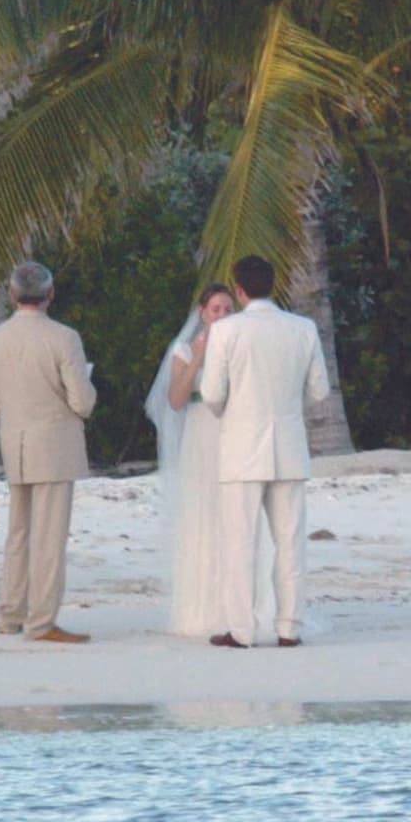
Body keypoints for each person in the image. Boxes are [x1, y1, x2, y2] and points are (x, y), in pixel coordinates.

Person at [198, 255, 330, 648]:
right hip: (289, 446)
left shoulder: (228, 331)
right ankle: (289, 628)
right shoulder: (302, 328)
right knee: (290, 543)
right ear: (274, 285)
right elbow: (320, 391)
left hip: (241, 449)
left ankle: (242, 629)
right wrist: (288, 409)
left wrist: (232, 416)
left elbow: (212, 394)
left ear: (239, 291)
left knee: (240, 544)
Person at [0, 262, 96, 643]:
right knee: (49, 537)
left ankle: (10, 613)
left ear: (12, 295)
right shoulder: (64, 337)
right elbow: (83, 401)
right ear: (50, 294)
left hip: (14, 440)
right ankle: (41, 621)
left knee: (19, 533)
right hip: (55, 442)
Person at [145, 282, 258, 636]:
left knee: (236, 515)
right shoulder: (183, 348)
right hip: (200, 434)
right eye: (215, 310)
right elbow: (175, 401)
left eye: (227, 309)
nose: (222, 315)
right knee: (203, 514)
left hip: (234, 432)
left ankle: (242, 606)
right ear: (202, 314)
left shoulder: (243, 345)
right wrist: (197, 357)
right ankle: (202, 609)